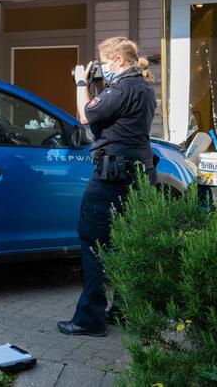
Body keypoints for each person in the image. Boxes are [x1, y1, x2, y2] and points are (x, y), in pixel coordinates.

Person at [58, 37, 157, 337]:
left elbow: (85, 116)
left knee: (94, 241)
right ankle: (125, 311)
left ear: (118, 61)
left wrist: (80, 83)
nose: (100, 68)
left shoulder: (121, 88)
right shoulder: (144, 89)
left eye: (103, 62)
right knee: (127, 243)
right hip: (140, 175)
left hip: (112, 177)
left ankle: (89, 319)